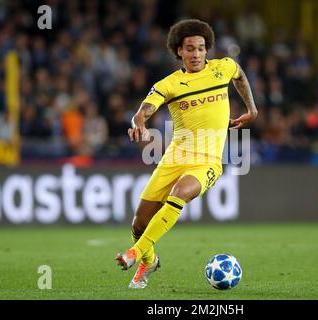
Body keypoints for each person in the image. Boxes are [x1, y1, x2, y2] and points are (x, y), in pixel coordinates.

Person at [115, 19, 258, 289]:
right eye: (190, 49)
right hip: (174, 159)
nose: (196, 54)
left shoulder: (223, 67)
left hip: (208, 162)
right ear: (179, 51)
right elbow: (142, 112)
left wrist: (252, 108)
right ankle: (150, 260)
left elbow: (239, 75)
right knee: (139, 223)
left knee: (180, 192)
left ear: (207, 50)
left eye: (201, 48)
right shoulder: (169, 84)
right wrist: (140, 125)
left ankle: (134, 253)